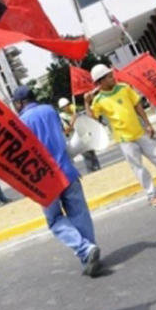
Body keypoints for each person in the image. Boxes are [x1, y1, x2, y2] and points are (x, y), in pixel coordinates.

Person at [13, 86, 101, 277]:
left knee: (54, 220)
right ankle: (89, 252)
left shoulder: (19, 123)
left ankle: (85, 249)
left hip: (44, 180)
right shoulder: (50, 110)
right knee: (80, 214)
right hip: (67, 170)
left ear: (19, 103)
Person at [85, 64, 156, 207]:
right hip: (124, 139)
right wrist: (87, 102)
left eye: (111, 75)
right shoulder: (98, 101)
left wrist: (148, 124)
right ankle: (152, 195)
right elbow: (93, 121)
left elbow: (137, 105)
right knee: (138, 168)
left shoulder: (124, 88)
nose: (112, 78)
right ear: (100, 82)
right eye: (109, 77)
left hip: (139, 132)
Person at [58, 97, 101, 173]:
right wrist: (73, 120)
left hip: (85, 135)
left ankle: (98, 169)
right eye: (65, 106)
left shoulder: (76, 112)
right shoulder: (62, 116)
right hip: (76, 138)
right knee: (86, 155)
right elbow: (66, 131)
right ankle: (92, 171)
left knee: (92, 152)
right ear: (62, 108)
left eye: (68, 104)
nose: (68, 106)